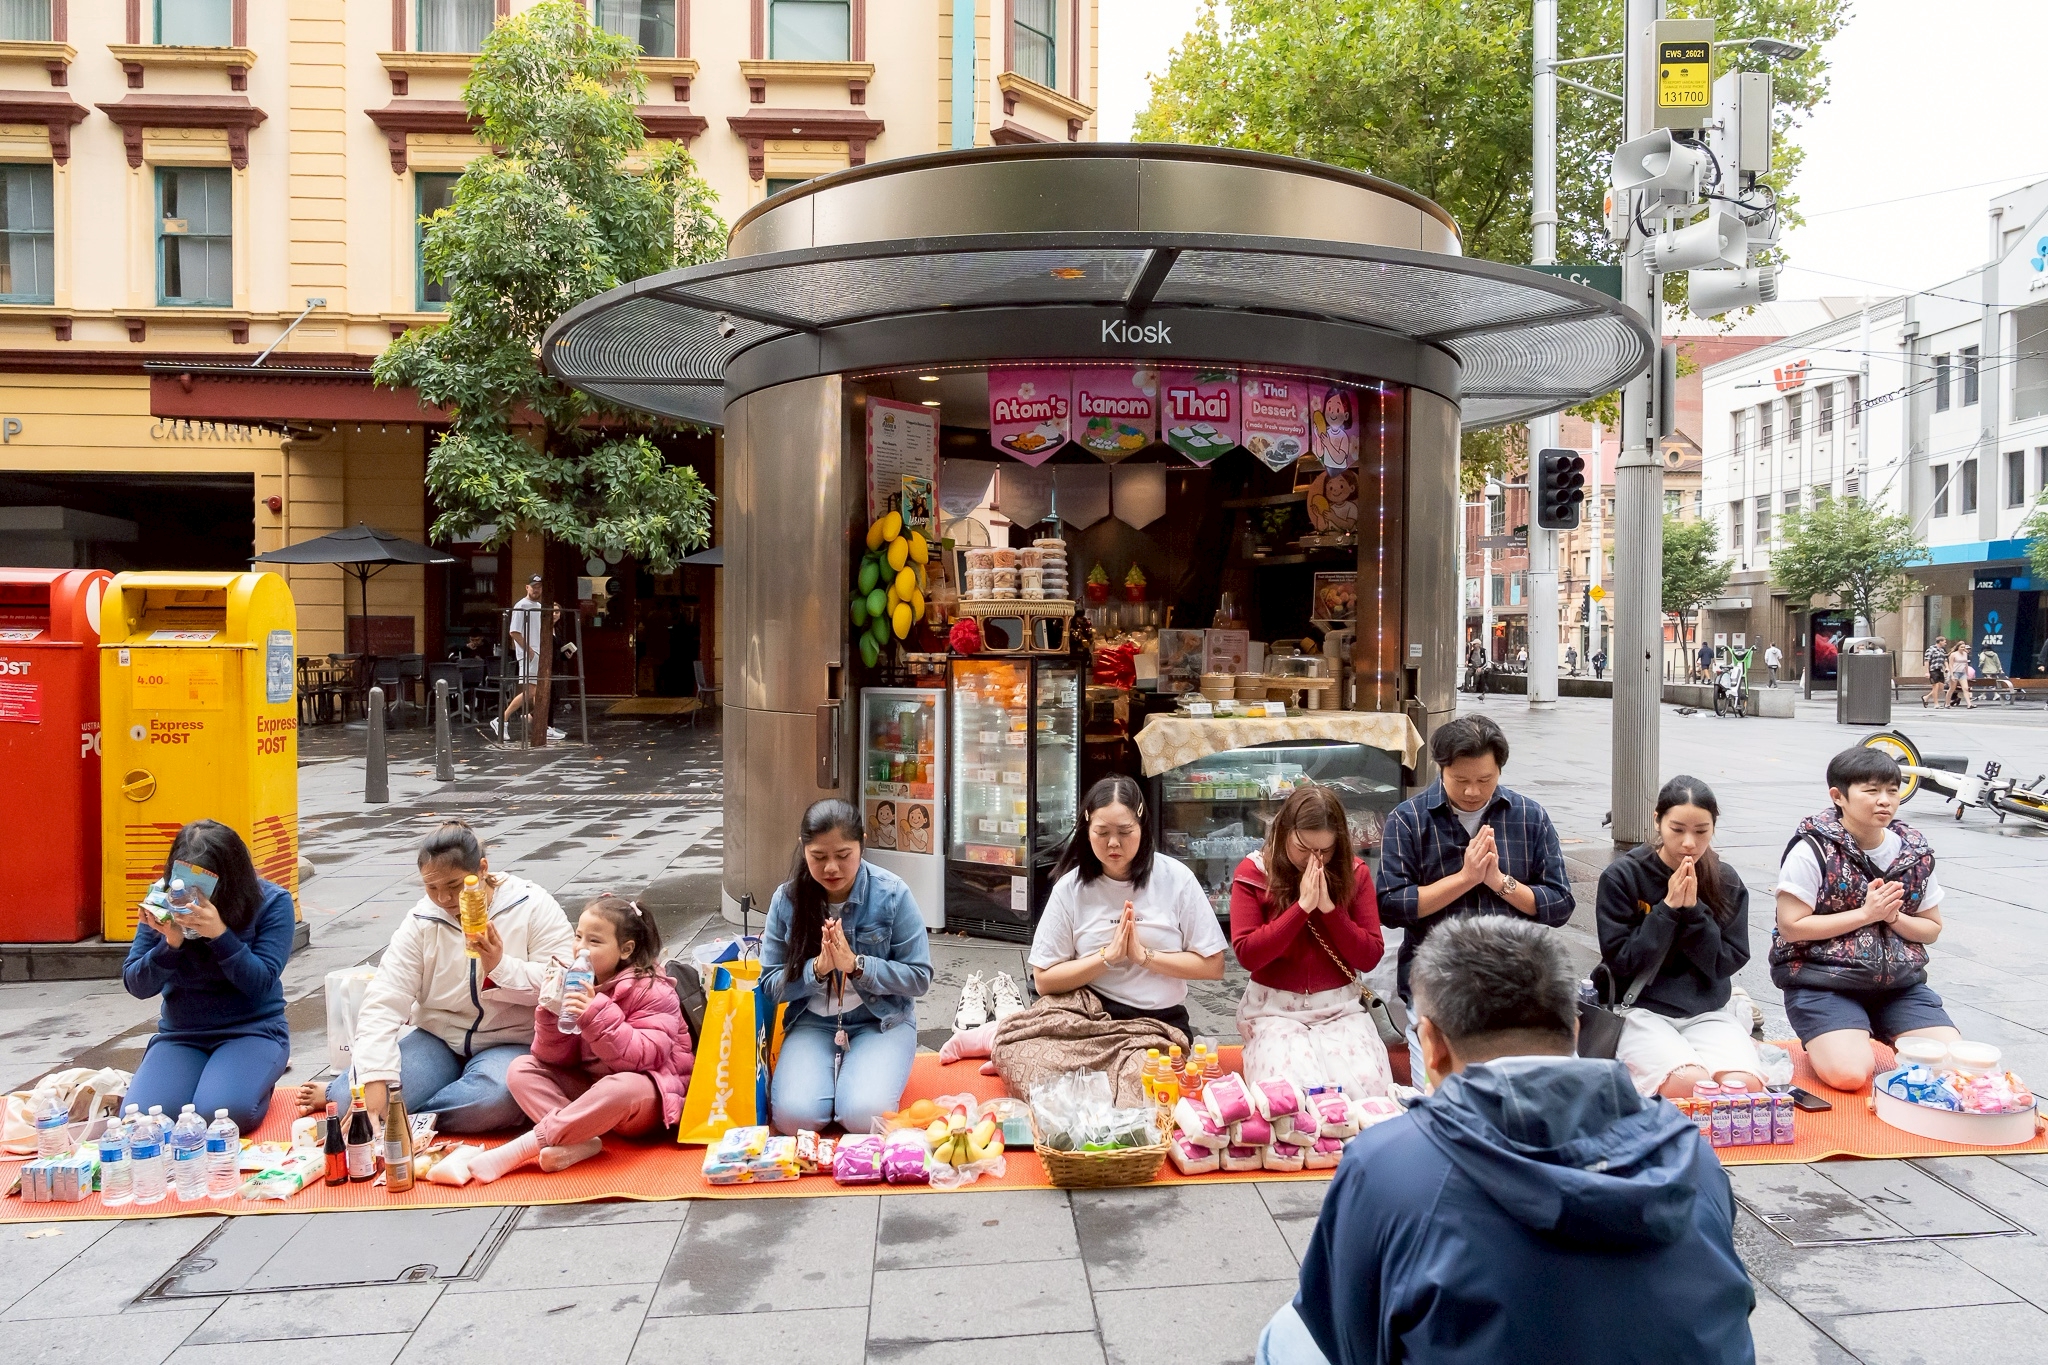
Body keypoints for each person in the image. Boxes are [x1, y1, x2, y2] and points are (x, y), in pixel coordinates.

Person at [1256, 916, 1755, 1365]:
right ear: (1577, 1028)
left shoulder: (1389, 1165)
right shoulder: (1691, 1155)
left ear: (1430, 1045)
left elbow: (1353, 1341)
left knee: (1286, 1335)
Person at [305, 821, 575, 1132]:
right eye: (431, 888)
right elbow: (384, 1001)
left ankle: (405, 1120)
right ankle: (404, 1108)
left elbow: (562, 984)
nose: (444, 900)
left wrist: (500, 967)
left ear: (483, 869)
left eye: (455, 886)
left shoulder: (531, 904)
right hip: (440, 1039)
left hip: (511, 1040)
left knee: (491, 1101)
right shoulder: (422, 920)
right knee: (348, 1099)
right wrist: (375, 1078)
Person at [993, 775, 1229, 1105]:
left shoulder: (1176, 879)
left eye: (1124, 832)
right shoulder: (1071, 888)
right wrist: (1107, 956)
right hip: (1084, 1014)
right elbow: (1045, 980)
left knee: (1136, 1092)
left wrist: (1144, 956)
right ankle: (989, 1037)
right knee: (1016, 1053)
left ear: (1142, 825)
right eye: (1102, 833)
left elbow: (1213, 965)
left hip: (1154, 1024)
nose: (1113, 843)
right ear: (1087, 828)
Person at [1771, 746, 1957, 1092]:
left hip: (1900, 986)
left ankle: (1879, 1029)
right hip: (1823, 982)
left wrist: (1894, 917)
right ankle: (1837, 1037)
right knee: (1850, 1075)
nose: (1884, 800)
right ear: (1838, 796)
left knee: (1952, 1065)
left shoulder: (1913, 851)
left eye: (1892, 790)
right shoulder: (1812, 849)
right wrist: (1865, 914)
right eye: (1871, 791)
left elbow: (1931, 929)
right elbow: (1792, 926)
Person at [471, 895, 693, 1182]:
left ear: (626, 950)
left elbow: (643, 1058)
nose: (581, 949)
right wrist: (551, 1015)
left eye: (595, 942)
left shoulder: (652, 988)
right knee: (522, 1068)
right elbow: (555, 1059)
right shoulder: (577, 980)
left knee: (621, 1087)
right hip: (593, 1091)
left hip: (644, 1097)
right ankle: (577, 1140)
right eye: (578, 937)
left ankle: (524, 1146)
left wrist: (596, 1012)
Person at [1376, 714, 1573, 1009]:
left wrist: (1500, 882)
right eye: (1460, 780)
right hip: (1439, 978)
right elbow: (1390, 907)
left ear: (1499, 770)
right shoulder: (1408, 819)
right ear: (1441, 769)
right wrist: (1464, 879)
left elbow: (1559, 906)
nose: (1473, 791)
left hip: (1517, 975)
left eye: (1485, 780)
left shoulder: (1529, 817)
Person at [760, 799, 933, 1134]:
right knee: (795, 1120)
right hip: (812, 1022)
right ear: (803, 848)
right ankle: (834, 1077)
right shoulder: (787, 900)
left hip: (881, 1021)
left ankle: (863, 1074)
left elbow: (919, 977)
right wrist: (818, 969)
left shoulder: (892, 894)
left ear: (862, 844)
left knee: (863, 1117)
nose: (831, 868)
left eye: (843, 855)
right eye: (819, 857)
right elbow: (769, 985)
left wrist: (857, 966)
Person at [122, 821, 297, 1132]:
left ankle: (259, 1074)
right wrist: (170, 943)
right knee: (145, 1122)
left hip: (252, 1029)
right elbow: (136, 983)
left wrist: (220, 935)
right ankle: (213, 1076)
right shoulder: (163, 899)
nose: (192, 893)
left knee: (221, 1115)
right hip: (182, 1033)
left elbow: (260, 982)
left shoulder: (271, 902)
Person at [1595, 777, 1763, 1099]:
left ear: (1713, 827)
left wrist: (1695, 912)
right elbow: (1622, 960)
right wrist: (1667, 910)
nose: (1689, 842)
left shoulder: (1725, 879)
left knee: (1744, 1086)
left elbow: (1726, 961)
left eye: (1701, 831)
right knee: (1689, 1085)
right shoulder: (1623, 876)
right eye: (1677, 829)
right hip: (1640, 1008)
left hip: (1706, 1010)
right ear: (1657, 821)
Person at [1229, 785, 1392, 1099]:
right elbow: (1248, 954)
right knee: (1290, 1094)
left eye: (1326, 850)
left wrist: (1330, 910)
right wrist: (1301, 908)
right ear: (1285, 833)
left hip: (1341, 1008)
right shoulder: (1253, 872)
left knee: (1367, 1086)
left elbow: (1370, 955)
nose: (1315, 859)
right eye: (1304, 848)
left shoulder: (1354, 873)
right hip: (1273, 1011)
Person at [498, 575, 565, 741]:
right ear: (527, 587)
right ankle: (502, 719)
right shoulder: (521, 605)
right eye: (534, 586)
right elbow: (514, 631)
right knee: (531, 690)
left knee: (537, 690)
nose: (536, 589)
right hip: (529, 654)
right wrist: (529, 651)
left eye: (539, 587)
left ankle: (542, 724)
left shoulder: (539, 606)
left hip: (537, 653)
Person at [1947, 640, 1974, 708]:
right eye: (1961, 647)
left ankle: (1969, 704)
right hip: (1955, 672)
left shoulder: (1965, 654)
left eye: (1964, 647)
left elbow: (1966, 664)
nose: (1963, 648)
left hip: (1962, 673)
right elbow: (1950, 665)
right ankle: (1947, 703)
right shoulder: (1953, 654)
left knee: (1965, 688)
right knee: (1952, 688)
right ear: (1958, 647)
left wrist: (1967, 673)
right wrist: (1952, 675)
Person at [1922, 638, 1948, 708]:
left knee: (1941, 687)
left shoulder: (1942, 650)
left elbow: (1945, 660)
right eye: (1944, 642)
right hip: (1933, 670)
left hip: (1940, 670)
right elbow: (1927, 661)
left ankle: (1926, 697)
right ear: (1940, 642)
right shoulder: (1931, 650)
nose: (1945, 643)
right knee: (1935, 687)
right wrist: (1927, 672)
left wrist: (1947, 667)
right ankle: (1936, 703)